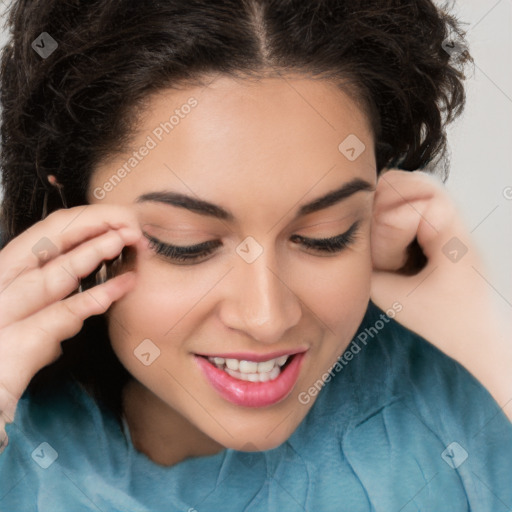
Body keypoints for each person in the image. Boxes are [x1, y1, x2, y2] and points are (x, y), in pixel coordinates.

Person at [0, 0, 511, 510]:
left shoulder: (462, 418)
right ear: (66, 208)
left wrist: (487, 351)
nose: (266, 318)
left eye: (326, 234)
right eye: (187, 244)